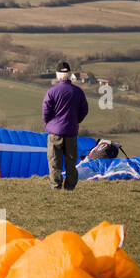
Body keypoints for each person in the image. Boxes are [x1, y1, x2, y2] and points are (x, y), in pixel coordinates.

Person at [43, 61, 88, 190]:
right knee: (71, 162)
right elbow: (84, 110)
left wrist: (49, 125)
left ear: (57, 75)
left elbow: (46, 111)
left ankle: (56, 186)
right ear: (69, 74)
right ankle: (70, 188)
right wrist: (76, 121)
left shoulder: (52, 92)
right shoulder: (78, 92)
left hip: (55, 132)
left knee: (54, 162)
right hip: (71, 132)